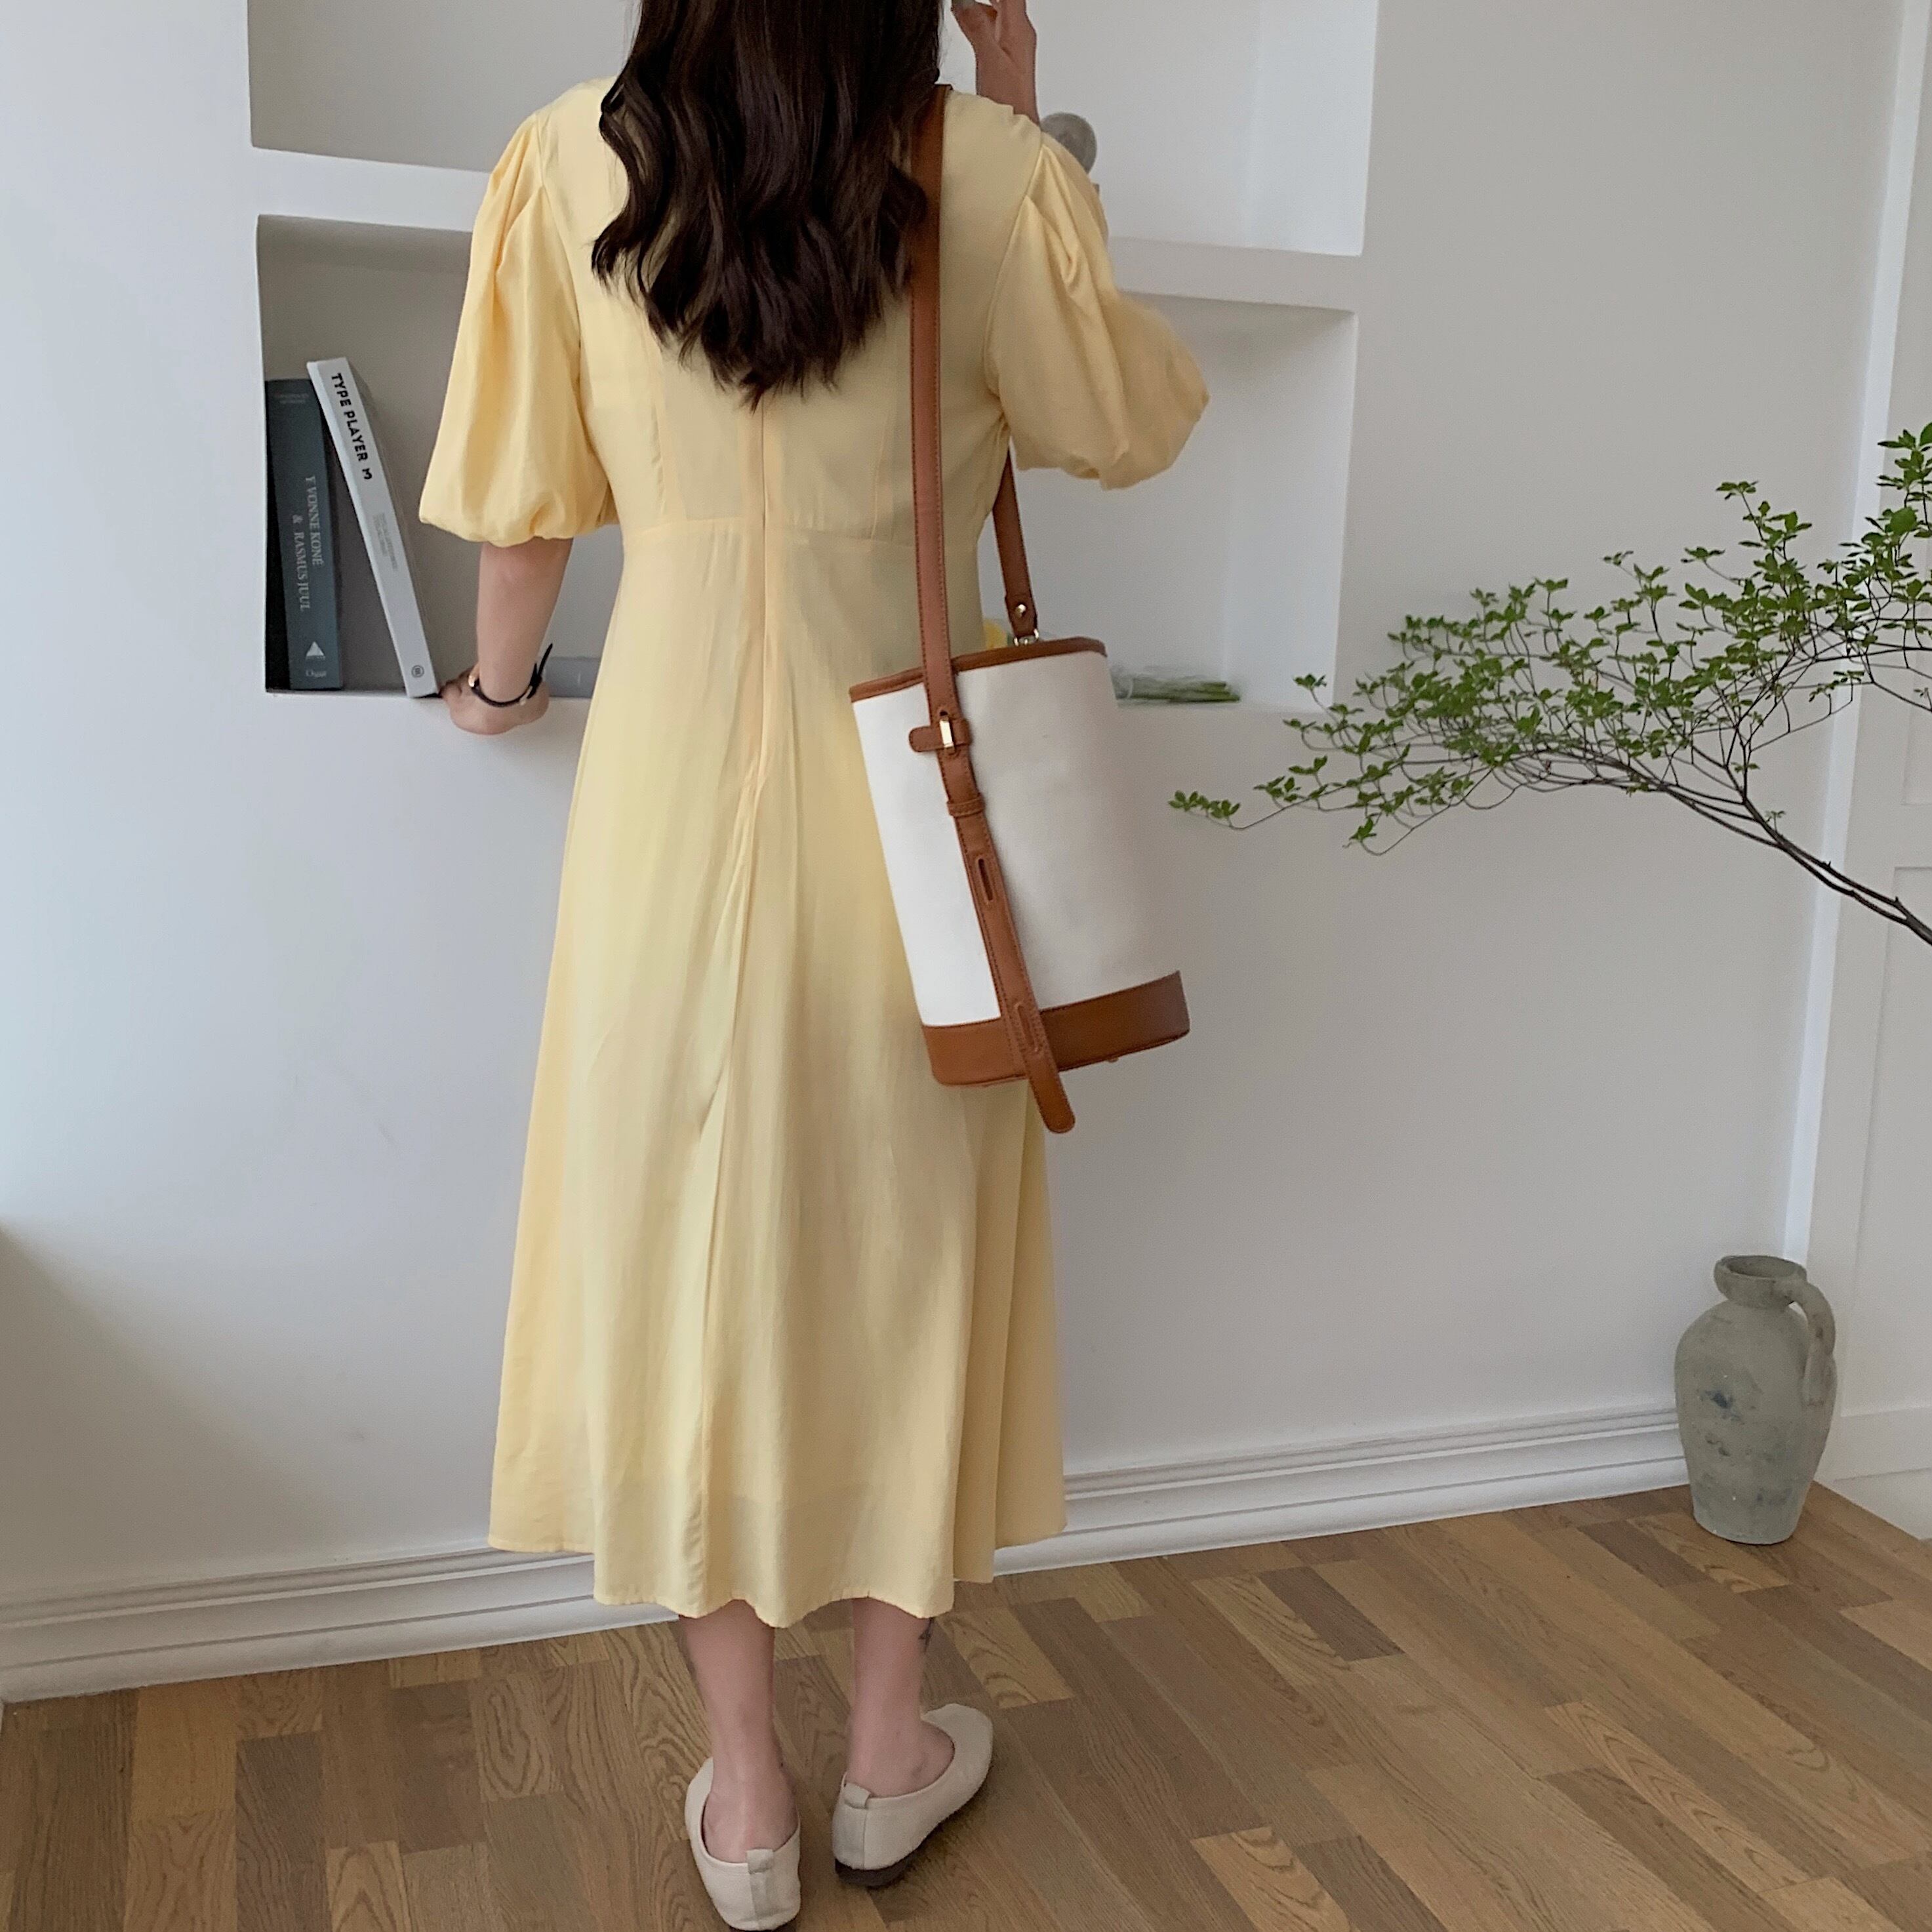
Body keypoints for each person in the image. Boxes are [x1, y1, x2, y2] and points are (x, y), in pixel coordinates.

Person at [419, 0, 1205, 1922]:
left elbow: (524, 524)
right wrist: (1026, 120)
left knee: (681, 1274)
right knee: (909, 1273)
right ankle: (886, 1754)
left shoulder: (562, 161)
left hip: (666, 807)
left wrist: (495, 695)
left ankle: (751, 1799)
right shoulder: (989, 172)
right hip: (918, 820)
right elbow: (1120, 427)